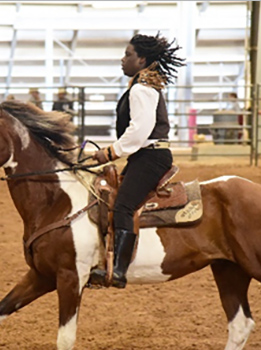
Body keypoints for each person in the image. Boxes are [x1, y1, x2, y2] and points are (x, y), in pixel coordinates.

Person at [92, 33, 184, 289]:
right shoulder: (142, 86)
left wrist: (110, 152)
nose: (123, 60)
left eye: (128, 55)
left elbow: (139, 131)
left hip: (150, 156)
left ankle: (119, 270)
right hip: (145, 155)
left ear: (142, 60)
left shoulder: (142, 89)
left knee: (123, 205)